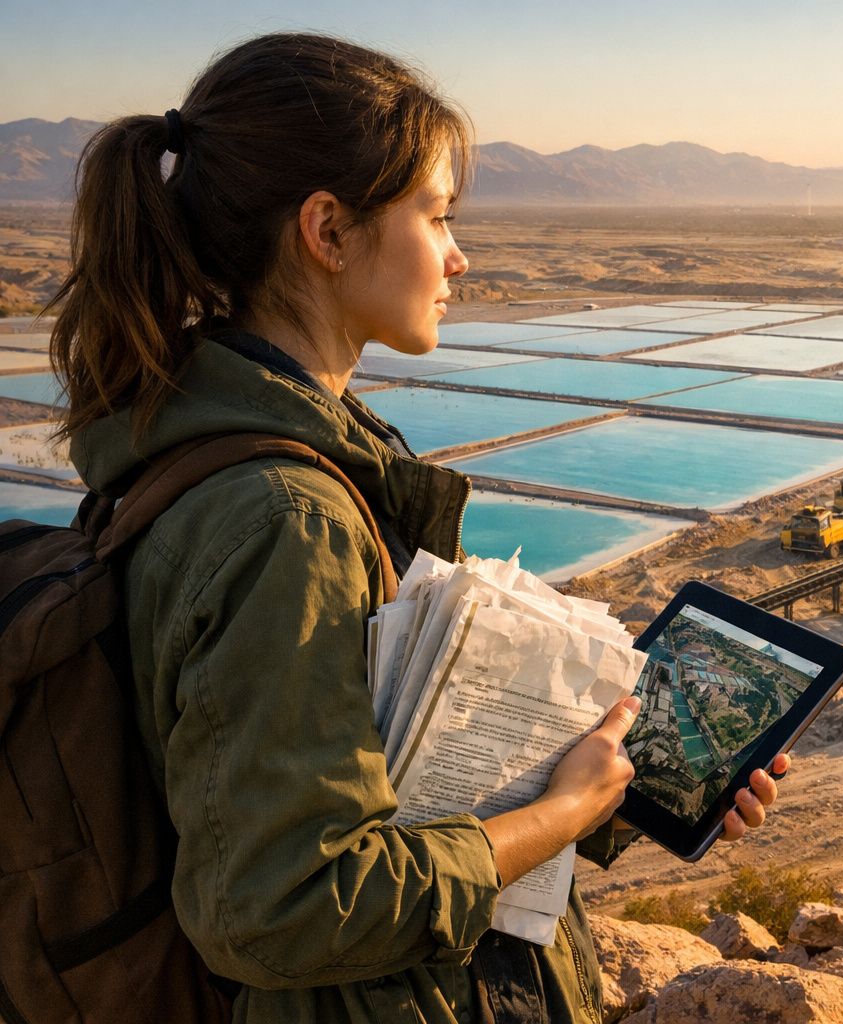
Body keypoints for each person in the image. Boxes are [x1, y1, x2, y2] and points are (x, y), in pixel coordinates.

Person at [48, 32, 786, 1024]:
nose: (458, 254)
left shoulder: (226, 451)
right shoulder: (286, 520)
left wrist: (625, 790)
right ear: (327, 230)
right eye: (436, 215)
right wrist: (559, 812)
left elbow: (402, 781)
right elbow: (284, 902)